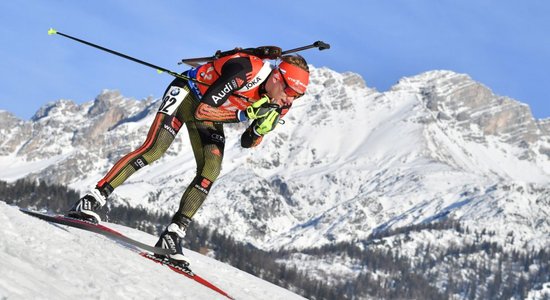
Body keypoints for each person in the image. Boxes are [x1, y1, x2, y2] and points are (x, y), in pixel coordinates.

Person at [67, 48, 310, 266]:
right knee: (155, 149)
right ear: (277, 78)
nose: (290, 99)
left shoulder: (281, 102)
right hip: (188, 94)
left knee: (211, 170)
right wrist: (244, 115)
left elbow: (248, 142)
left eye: (297, 96)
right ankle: (92, 199)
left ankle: (173, 234)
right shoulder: (245, 70)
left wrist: (259, 130)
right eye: (289, 92)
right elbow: (204, 108)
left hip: (212, 114)